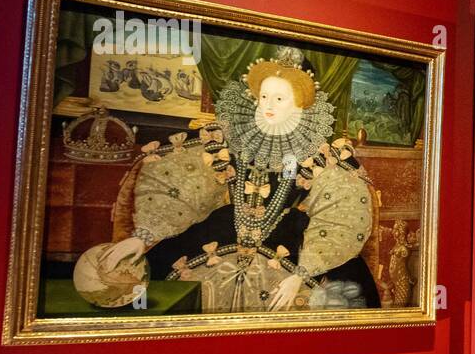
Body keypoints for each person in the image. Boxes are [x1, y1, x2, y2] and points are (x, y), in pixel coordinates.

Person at [95, 46, 380, 312]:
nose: (269, 105)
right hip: (220, 230)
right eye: (264, 96)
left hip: (293, 242)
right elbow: (182, 187)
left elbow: (339, 215)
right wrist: (144, 236)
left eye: (280, 98)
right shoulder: (227, 140)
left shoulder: (321, 156)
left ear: (300, 105)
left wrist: (301, 273)